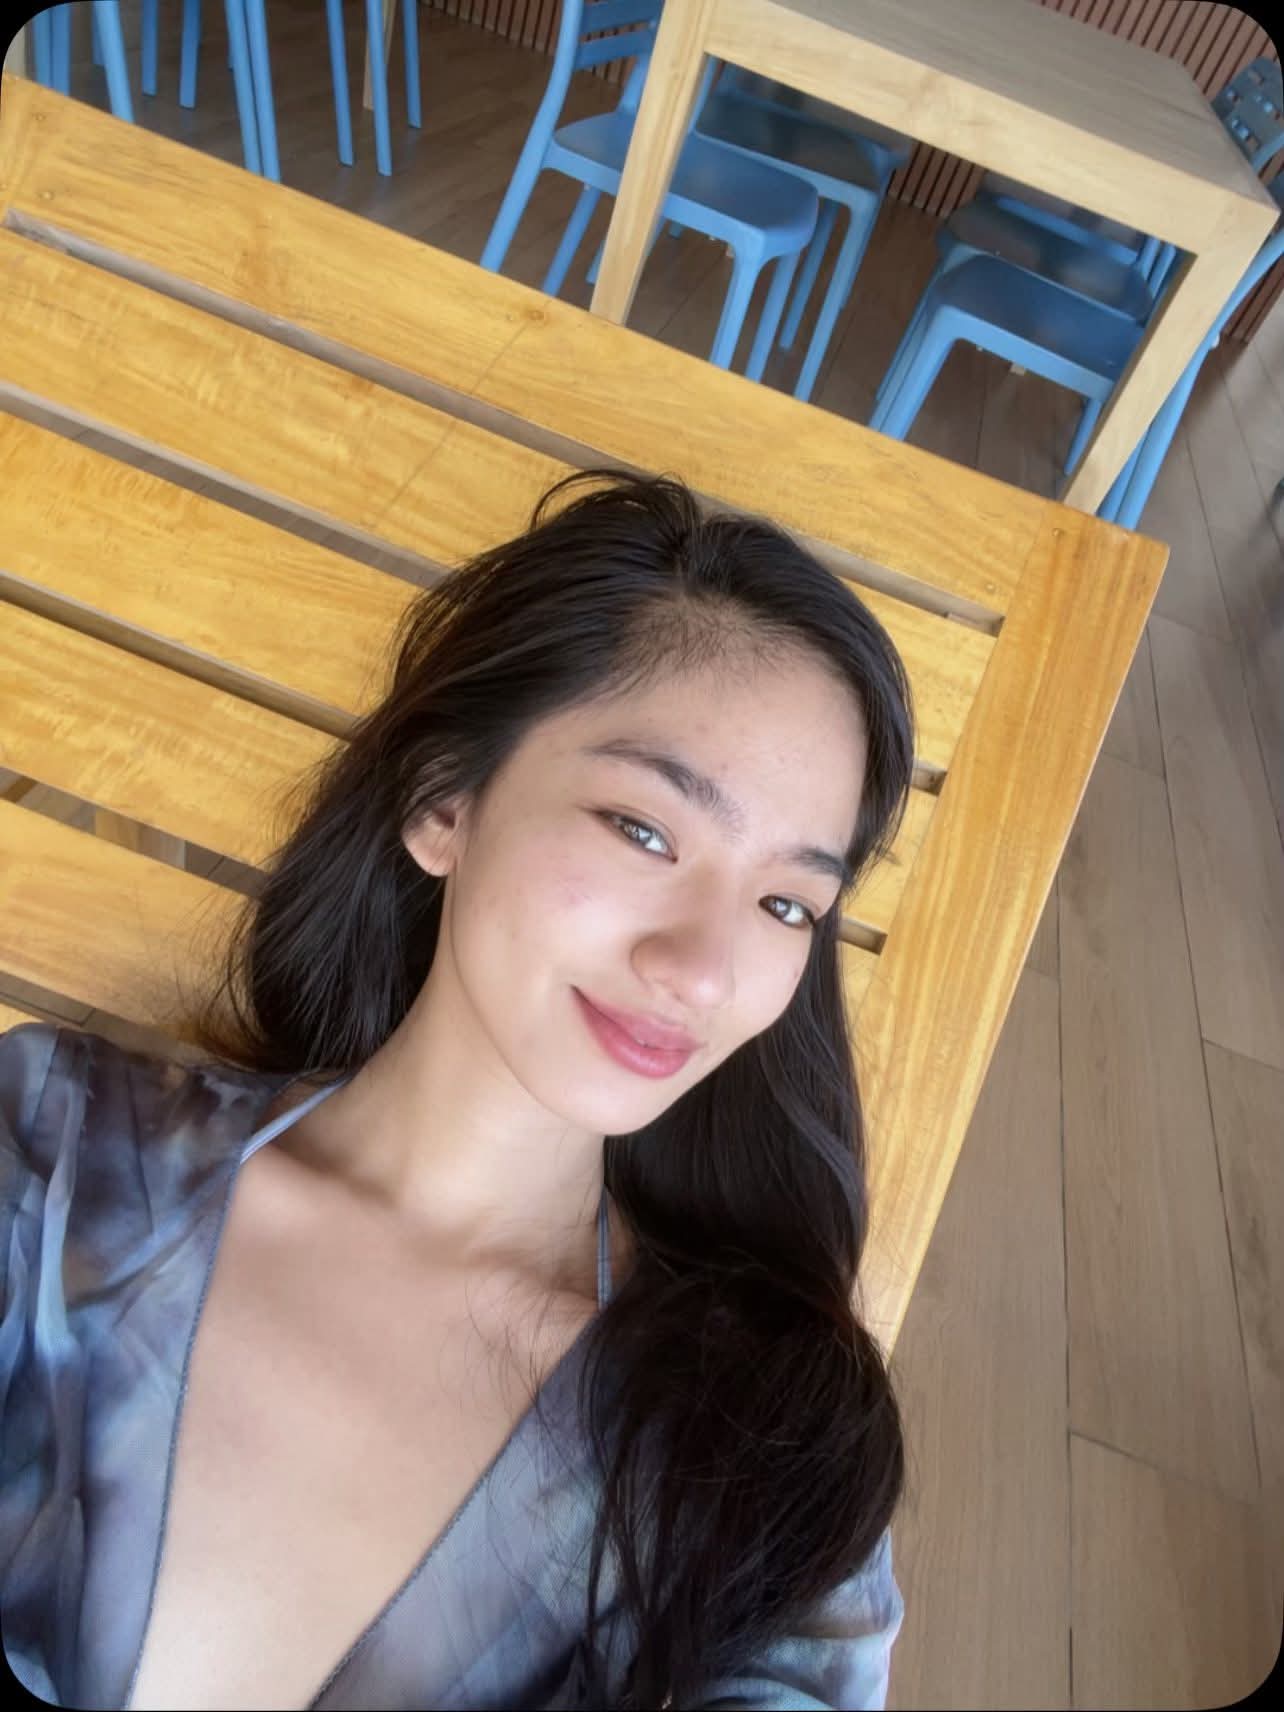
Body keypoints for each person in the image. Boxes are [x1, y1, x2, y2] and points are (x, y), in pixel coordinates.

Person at [1, 468, 915, 1711]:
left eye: (786, 902)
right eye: (645, 830)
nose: (704, 969)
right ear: (444, 799)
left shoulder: (761, 1455)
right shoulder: (51, 1150)